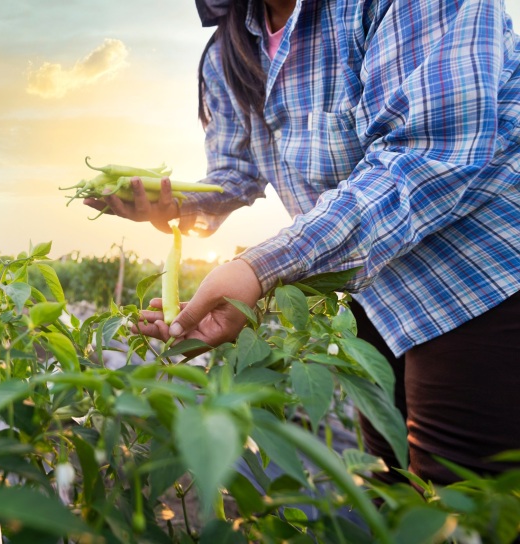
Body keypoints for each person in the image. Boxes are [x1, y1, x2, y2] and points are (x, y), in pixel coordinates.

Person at [84, 0, 520, 486]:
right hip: (371, 284)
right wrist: (173, 205)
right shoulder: (232, 46)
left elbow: (426, 153)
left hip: (480, 270)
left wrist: (261, 268)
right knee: (387, 476)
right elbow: (235, 172)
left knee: (460, 486)